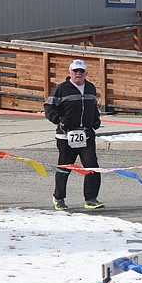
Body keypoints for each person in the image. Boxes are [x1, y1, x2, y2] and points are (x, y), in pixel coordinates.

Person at [44, 59, 104, 211]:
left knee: (92, 167)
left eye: (81, 71)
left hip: (87, 135)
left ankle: (91, 199)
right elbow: (49, 107)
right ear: (69, 72)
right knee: (65, 167)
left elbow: (93, 107)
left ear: (86, 73)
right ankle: (59, 198)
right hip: (66, 136)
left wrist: (96, 120)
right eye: (75, 71)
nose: (78, 74)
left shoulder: (90, 88)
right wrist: (59, 120)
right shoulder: (61, 89)